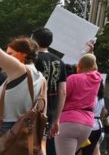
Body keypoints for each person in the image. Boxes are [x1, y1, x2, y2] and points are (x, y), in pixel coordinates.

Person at [52, 53, 102, 154]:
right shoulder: (97, 78)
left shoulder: (73, 79)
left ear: (79, 66)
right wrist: (91, 52)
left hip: (69, 122)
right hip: (87, 125)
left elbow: (62, 97)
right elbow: (93, 65)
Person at [0, 37, 46, 137]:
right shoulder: (42, 79)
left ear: (23, 54)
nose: (8, 57)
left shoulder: (20, 69)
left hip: (7, 128)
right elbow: (42, 111)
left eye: (10, 54)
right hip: (25, 130)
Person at [32, 27, 67, 155]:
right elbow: (63, 92)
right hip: (51, 111)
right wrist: (57, 119)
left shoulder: (31, 60)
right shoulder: (60, 62)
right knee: (43, 144)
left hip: (33, 108)